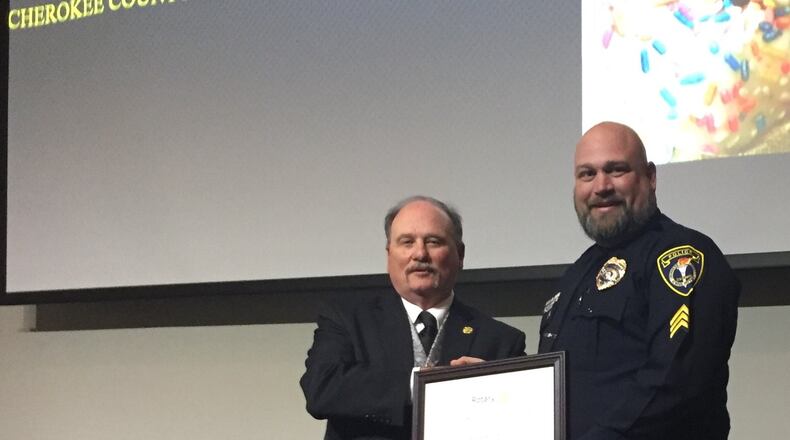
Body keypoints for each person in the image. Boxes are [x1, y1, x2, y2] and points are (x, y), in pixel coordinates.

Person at [538, 121, 740, 440]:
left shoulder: (681, 255)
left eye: (616, 170)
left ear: (650, 177)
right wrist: (498, 386)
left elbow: (675, 383)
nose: (601, 186)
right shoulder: (575, 274)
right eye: (587, 174)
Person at [300, 195, 526, 440]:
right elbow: (321, 389)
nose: (420, 254)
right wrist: (419, 383)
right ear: (389, 255)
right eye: (407, 242)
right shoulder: (346, 319)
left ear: (459, 254)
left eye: (434, 241)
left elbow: (523, 418)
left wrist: (494, 393)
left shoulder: (501, 340)